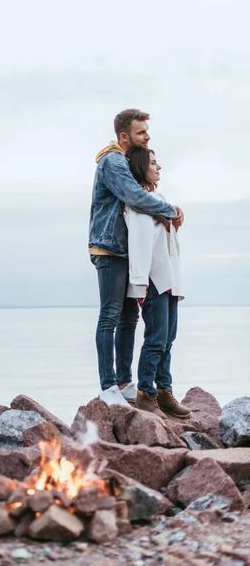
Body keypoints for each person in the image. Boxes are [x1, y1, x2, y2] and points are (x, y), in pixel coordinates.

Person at [89, 109, 184, 406]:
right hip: (109, 249)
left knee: (129, 318)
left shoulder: (125, 161)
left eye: (147, 131)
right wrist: (171, 210)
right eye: (142, 132)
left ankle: (124, 381)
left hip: (125, 251)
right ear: (124, 136)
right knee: (110, 316)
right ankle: (108, 386)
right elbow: (134, 196)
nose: (147, 137)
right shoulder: (113, 161)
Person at [124, 147, 191, 419]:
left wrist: (175, 220)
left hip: (170, 280)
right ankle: (145, 393)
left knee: (168, 339)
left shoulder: (159, 199)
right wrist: (140, 283)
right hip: (153, 280)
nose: (159, 167)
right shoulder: (139, 203)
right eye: (153, 162)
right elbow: (139, 244)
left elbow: (168, 243)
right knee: (156, 339)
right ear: (141, 167)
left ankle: (165, 391)